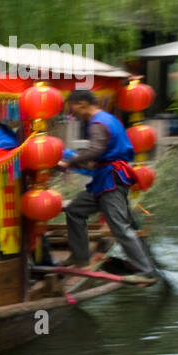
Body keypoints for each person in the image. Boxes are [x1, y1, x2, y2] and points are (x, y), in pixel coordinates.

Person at [58, 89, 155, 279]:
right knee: (75, 210)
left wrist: (70, 162)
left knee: (119, 227)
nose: (73, 113)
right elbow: (100, 153)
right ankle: (80, 257)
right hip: (103, 180)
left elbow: (96, 150)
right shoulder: (107, 118)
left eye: (73, 107)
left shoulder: (98, 123)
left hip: (111, 180)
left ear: (82, 103)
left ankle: (146, 271)